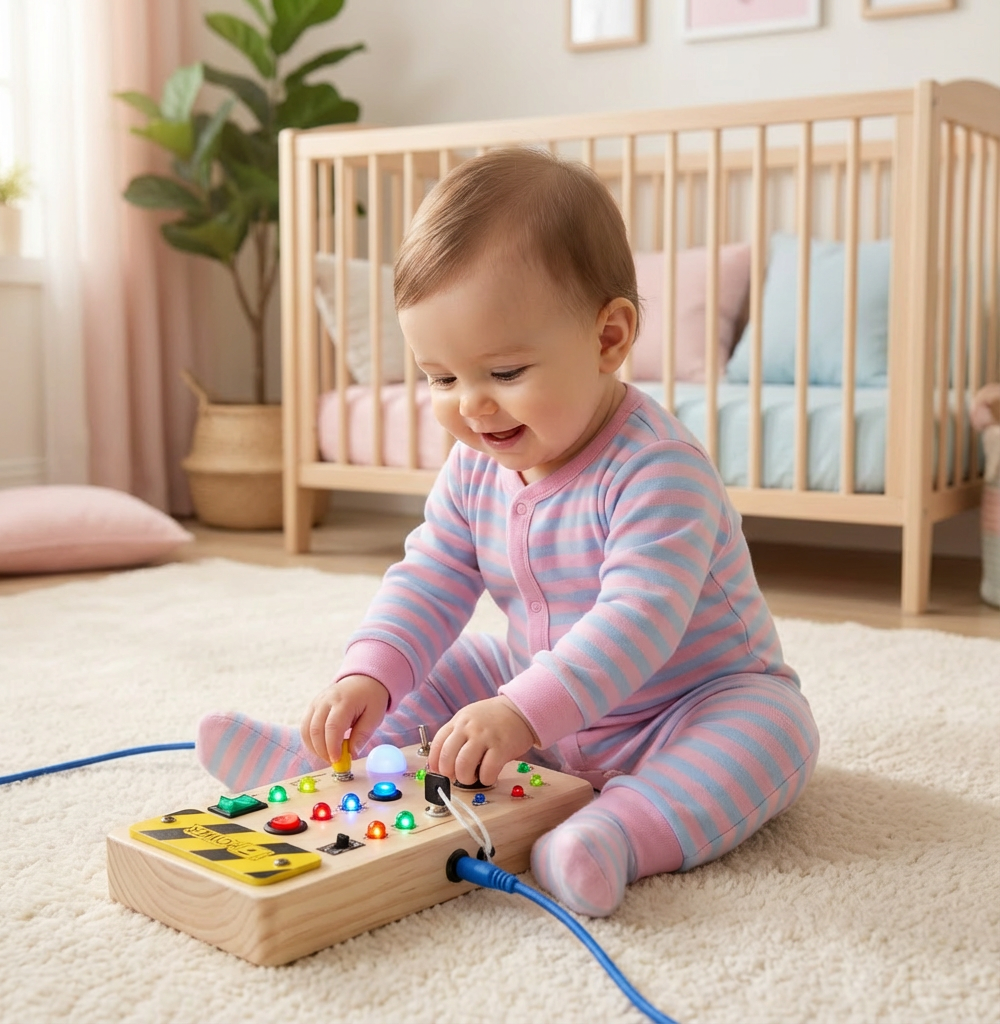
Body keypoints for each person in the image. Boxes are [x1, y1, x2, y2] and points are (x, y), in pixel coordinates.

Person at [197, 147, 819, 917]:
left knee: (775, 732)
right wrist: (369, 676)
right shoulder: (475, 466)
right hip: (536, 692)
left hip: (684, 704)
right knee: (454, 662)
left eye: (505, 373)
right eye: (441, 378)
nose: (472, 406)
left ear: (609, 338)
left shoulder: (659, 467)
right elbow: (431, 576)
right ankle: (328, 762)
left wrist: (523, 713)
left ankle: (616, 834)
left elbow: (640, 619)